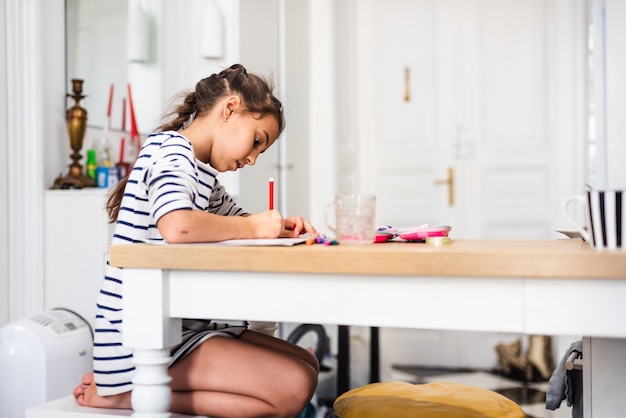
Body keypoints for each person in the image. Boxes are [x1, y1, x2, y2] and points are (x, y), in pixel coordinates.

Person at [73, 64, 320, 418]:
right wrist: (254, 229)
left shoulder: (202, 173)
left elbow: (238, 223)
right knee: (293, 385)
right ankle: (127, 392)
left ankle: (133, 390)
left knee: (306, 366)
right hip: (144, 339)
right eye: (256, 141)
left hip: (183, 330)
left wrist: (280, 226)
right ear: (230, 108)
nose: (251, 160)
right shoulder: (171, 154)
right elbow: (178, 226)